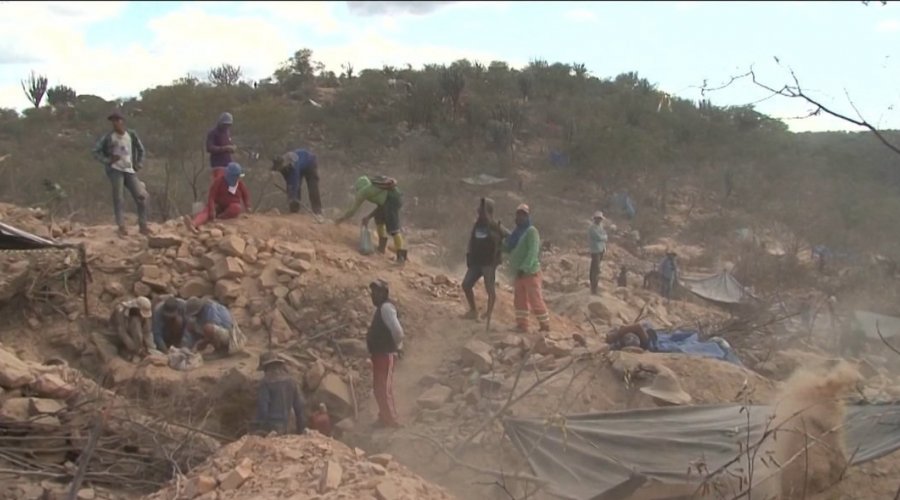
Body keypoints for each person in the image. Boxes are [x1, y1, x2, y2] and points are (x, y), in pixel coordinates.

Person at [92, 111, 149, 237]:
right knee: (118, 198)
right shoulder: (109, 137)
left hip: (129, 169)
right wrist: (107, 160)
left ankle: (143, 225)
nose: (115, 123)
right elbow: (95, 151)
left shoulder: (131, 135)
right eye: (113, 121)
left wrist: (139, 163)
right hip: (115, 169)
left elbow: (141, 149)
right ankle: (121, 226)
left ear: (122, 121)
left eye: (117, 120)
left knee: (141, 196)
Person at [336, 176, 407, 263]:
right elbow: (381, 205)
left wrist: (341, 219)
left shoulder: (363, 192)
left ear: (359, 187)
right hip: (389, 201)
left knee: (394, 229)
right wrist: (368, 217)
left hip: (392, 201)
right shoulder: (375, 189)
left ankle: (401, 257)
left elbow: (352, 210)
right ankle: (381, 248)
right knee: (379, 221)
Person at [505, 204, 550, 333]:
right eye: (518, 214)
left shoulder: (531, 231)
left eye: (522, 215)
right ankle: (522, 325)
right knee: (519, 301)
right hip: (519, 273)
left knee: (535, 300)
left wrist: (524, 267)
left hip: (530, 273)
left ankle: (545, 325)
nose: (519, 217)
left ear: (527, 216)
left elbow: (533, 252)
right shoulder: (516, 233)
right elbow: (509, 248)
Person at [461, 198, 507, 321]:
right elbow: (472, 241)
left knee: (489, 289)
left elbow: (508, 237)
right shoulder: (477, 225)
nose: (479, 212)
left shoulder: (496, 226)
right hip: (476, 262)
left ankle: (488, 314)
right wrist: (469, 255)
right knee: (466, 284)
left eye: (482, 210)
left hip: (489, 263)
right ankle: (473, 311)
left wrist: (500, 249)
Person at [366, 279, 404, 428]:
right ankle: (384, 417)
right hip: (379, 354)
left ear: (384, 293)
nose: (373, 295)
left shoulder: (387, 308)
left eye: (377, 292)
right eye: (372, 292)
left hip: (385, 354)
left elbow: (398, 331)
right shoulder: (382, 308)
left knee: (383, 388)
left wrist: (397, 346)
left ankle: (393, 421)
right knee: (378, 388)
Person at [184, 162, 250, 233]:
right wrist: (212, 209)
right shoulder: (219, 181)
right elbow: (212, 196)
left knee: (236, 208)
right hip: (217, 205)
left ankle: (219, 218)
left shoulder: (240, 184)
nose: (236, 178)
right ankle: (194, 224)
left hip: (230, 207)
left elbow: (245, 195)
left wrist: (248, 206)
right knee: (206, 211)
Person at [253, 352, 306, 435]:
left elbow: (263, 408)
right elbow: (299, 407)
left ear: (266, 367)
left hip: (272, 427)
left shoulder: (266, 382)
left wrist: (260, 427)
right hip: (288, 426)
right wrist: (301, 429)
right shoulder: (291, 381)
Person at [272, 149, 323, 219]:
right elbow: (288, 181)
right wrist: (290, 192)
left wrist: (292, 195)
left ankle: (317, 211)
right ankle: (294, 211)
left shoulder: (292, 166)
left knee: (312, 187)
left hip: (310, 162)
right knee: (293, 191)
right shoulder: (282, 166)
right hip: (301, 165)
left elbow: (294, 181)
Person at [206, 112, 236, 179]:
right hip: (218, 164)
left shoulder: (227, 132)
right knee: (219, 183)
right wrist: (224, 148)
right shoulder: (213, 133)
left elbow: (228, 143)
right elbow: (209, 148)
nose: (226, 127)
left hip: (228, 164)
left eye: (228, 125)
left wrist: (232, 148)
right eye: (225, 124)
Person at [588, 211, 608, 295]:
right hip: (595, 250)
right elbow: (599, 237)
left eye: (600, 219)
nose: (599, 220)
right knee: (595, 269)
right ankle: (594, 288)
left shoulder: (600, 227)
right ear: (595, 219)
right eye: (598, 218)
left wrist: (604, 238)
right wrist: (604, 237)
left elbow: (605, 236)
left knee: (596, 269)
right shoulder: (592, 228)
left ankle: (594, 287)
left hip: (601, 249)